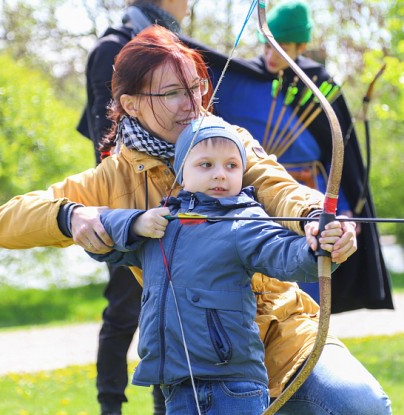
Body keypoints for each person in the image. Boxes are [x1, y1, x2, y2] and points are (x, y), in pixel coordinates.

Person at [0, 26, 390, 414]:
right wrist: (69, 215)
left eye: (197, 86)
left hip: (286, 333)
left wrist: (316, 218)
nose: (192, 102)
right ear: (130, 104)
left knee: (360, 404)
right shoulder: (110, 179)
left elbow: (278, 186)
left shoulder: (226, 141)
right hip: (199, 362)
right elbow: (3, 223)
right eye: (173, 93)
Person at [87, 115, 341, 414]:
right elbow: (103, 245)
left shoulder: (245, 222)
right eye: (206, 165)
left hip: (233, 386)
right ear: (181, 172)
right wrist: (134, 223)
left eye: (232, 166)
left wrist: (319, 248)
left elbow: (286, 255)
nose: (220, 174)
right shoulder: (160, 225)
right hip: (177, 386)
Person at [199, 0, 393, 312]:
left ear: (301, 45)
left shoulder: (318, 83)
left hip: (310, 194)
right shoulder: (244, 79)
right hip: (260, 195)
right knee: (262, 289)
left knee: (307, 289)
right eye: (268, 46)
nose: (271, 56)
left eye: (283, 46)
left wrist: (342, 210)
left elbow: (337, 160)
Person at [75, 1, 189, 413]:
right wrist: (126, 214)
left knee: (170, 315)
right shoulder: (112, 50)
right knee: (125, 310)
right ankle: (110, 407)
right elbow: (107, 141)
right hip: (124, 210)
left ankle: (166, 406)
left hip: (171, 204)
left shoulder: (171, 47)